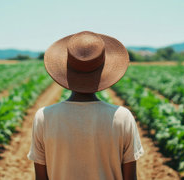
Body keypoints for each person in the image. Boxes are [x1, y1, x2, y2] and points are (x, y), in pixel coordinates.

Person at [27, 31, 144, 180]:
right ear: (103, 71)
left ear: (66, 70)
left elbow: (41, 178)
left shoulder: (44, 117)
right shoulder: (122, 117)